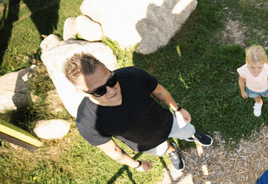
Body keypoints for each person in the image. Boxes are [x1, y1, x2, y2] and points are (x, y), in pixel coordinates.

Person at [63, 52, 213, 172]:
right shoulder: (87, 122)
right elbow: (114, 151)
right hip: (146, 143)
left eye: (111, 80)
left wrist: (178, 109)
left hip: (167, 121)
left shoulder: (133, 75)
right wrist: (137, 164)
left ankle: (192, 135)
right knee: (163, 148)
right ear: (82, 92)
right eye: (99, 90)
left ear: (109, 70)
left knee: (187, 129)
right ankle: (172, 149)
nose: (111, 90)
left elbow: (159, 92)